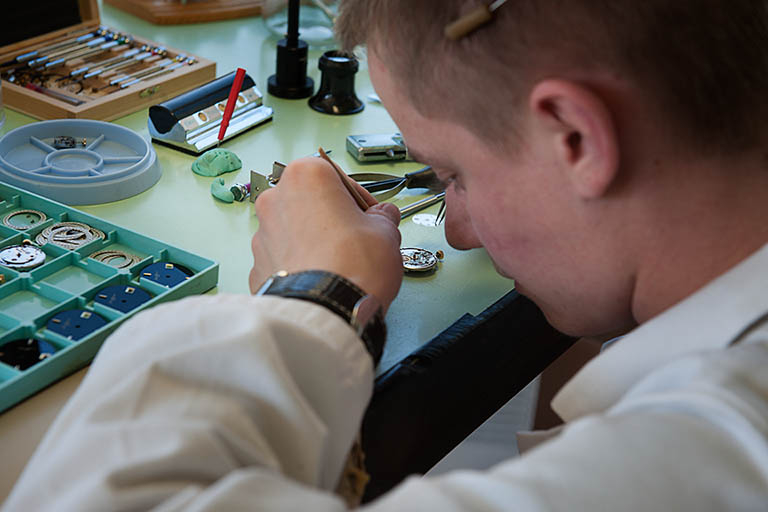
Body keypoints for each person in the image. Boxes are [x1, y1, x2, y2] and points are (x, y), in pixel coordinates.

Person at [6, 0, 768, 509]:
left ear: (573, 137)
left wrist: (314, 297)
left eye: (450, 175)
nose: (457, 231)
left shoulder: (694, 462)